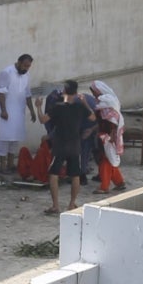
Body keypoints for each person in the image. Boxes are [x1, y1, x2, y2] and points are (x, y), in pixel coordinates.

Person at [42, 80, 89, 215]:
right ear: (76, 92)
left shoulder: (58, 107)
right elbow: (92, 117)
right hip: (74, 144)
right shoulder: (80, 107)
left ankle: (56, 205)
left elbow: (43, 119)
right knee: (75, 175)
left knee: (54, 174)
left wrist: (38, 107)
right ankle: (71, 203)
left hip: (60, 144)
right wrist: (84, 102)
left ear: (64, 91)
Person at [0, 53, 35, 169]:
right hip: (6, 110)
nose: (26, 68)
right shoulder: (7, 72)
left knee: (15, 138)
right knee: (4, 138)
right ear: (19, 62)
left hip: (19, 111)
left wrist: (31, 110)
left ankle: (11, 163)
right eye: (25, 66)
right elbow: (1, 92)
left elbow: (27, 94)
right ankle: (3, 166)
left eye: (28, 66)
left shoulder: (26, 74)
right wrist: (3, 110)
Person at [88, 80, 127, 193]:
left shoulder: (107, 103)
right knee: (110, 159)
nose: (94, 95)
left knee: (106, 160)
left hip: (108, 137)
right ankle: (119, 182)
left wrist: (111, 137)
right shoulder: (103, 103)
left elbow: (112, 122)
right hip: (105, 136)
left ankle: (104, 186)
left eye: (94, 92)